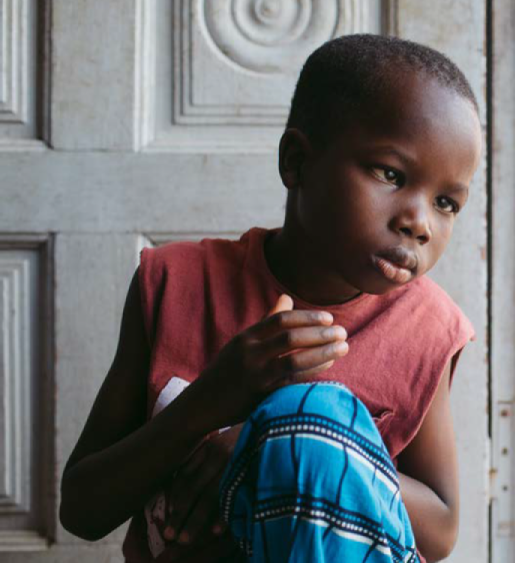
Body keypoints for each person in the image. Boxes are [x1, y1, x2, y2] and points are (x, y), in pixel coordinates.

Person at [58, 34, 483, 563]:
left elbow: (440, 530)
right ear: (297, 163)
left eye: (446, 203)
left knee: (319, 411)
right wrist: (209, 401)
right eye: (390, 174)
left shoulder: (427, 326)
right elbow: (81, 509)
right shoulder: (175, 282)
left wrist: (280, 435)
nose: (418, 222)